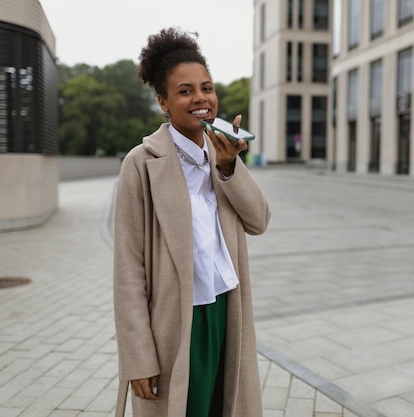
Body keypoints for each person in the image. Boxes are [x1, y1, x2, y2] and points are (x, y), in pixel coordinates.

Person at [112, 27, 270, 417]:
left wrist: (231, 165)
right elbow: (128, 270)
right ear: (163, 102)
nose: (200, 99)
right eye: (185, 91)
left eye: (207, 87)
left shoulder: (221, 152)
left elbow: (259, 221)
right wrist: (138, 358)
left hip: (226, 309)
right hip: (175, 321)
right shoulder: (141, 164)